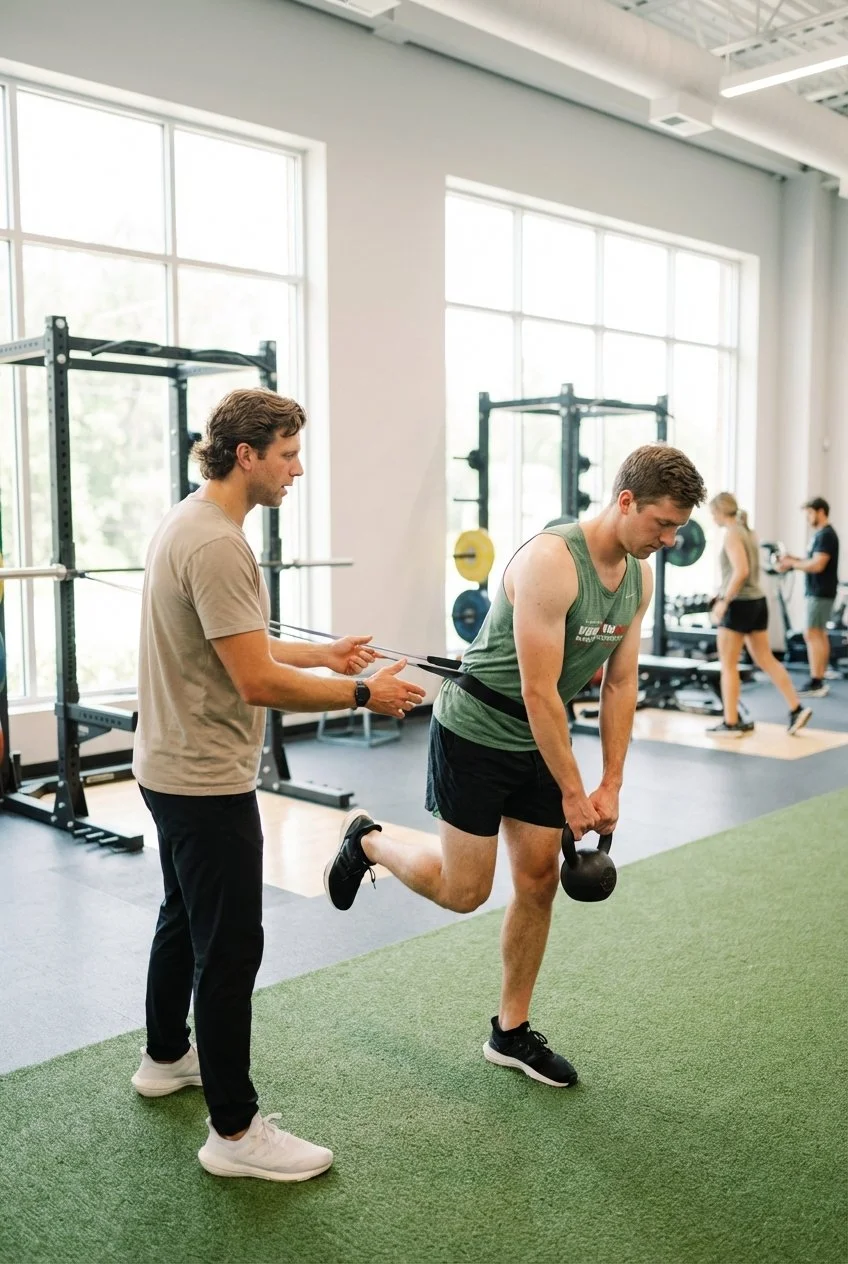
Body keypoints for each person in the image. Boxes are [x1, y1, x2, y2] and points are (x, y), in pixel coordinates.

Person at [324, 444, 707, 1089]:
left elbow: (619, 684)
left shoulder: (637, 580)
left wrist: (611, 782)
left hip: (538, 737)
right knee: (465, 891)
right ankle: (368, 841)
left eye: (677, 528)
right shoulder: (553, 562)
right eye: (662, 524)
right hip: (476, 731)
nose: (669, 540)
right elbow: (537, 690)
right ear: (625, 501)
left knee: (537, 882)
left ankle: (511, 1031)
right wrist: (573, 792)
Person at [130, 388, 425, 1182]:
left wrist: (324, 660)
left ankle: (165, 1058)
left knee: (182, 917)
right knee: (229, 950)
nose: (298, 469)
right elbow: (255, 680)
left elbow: (236, 644)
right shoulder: (220, 544)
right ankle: (234, 1134)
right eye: (288, 454)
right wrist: (367, 694)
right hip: (204, 779)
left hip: (167, 767)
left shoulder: (191, 519)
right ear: (247, 455)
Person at [707, 493, 812, 738]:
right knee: (766, 659)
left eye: (713, 513)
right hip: (757, 602)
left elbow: (741, 571)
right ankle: (797, 708)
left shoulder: (732, 533)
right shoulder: (748, 532)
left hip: (740, 603)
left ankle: (731, 723)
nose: (712, 518)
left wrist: (723, 601)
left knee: (728, 665)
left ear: (721, 512)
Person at [776, 497, 840, 698]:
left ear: (820, 511)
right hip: (818, 591)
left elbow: (818, 565)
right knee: (818, 634)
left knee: (811, 634)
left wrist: (793, 565)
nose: (808, 518)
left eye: (810, 514)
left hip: (820, 592)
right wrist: (792, 560)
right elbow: (811, 560)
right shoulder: (820, 535)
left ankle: (816, 681)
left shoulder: (826, 535)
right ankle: (820, 677)